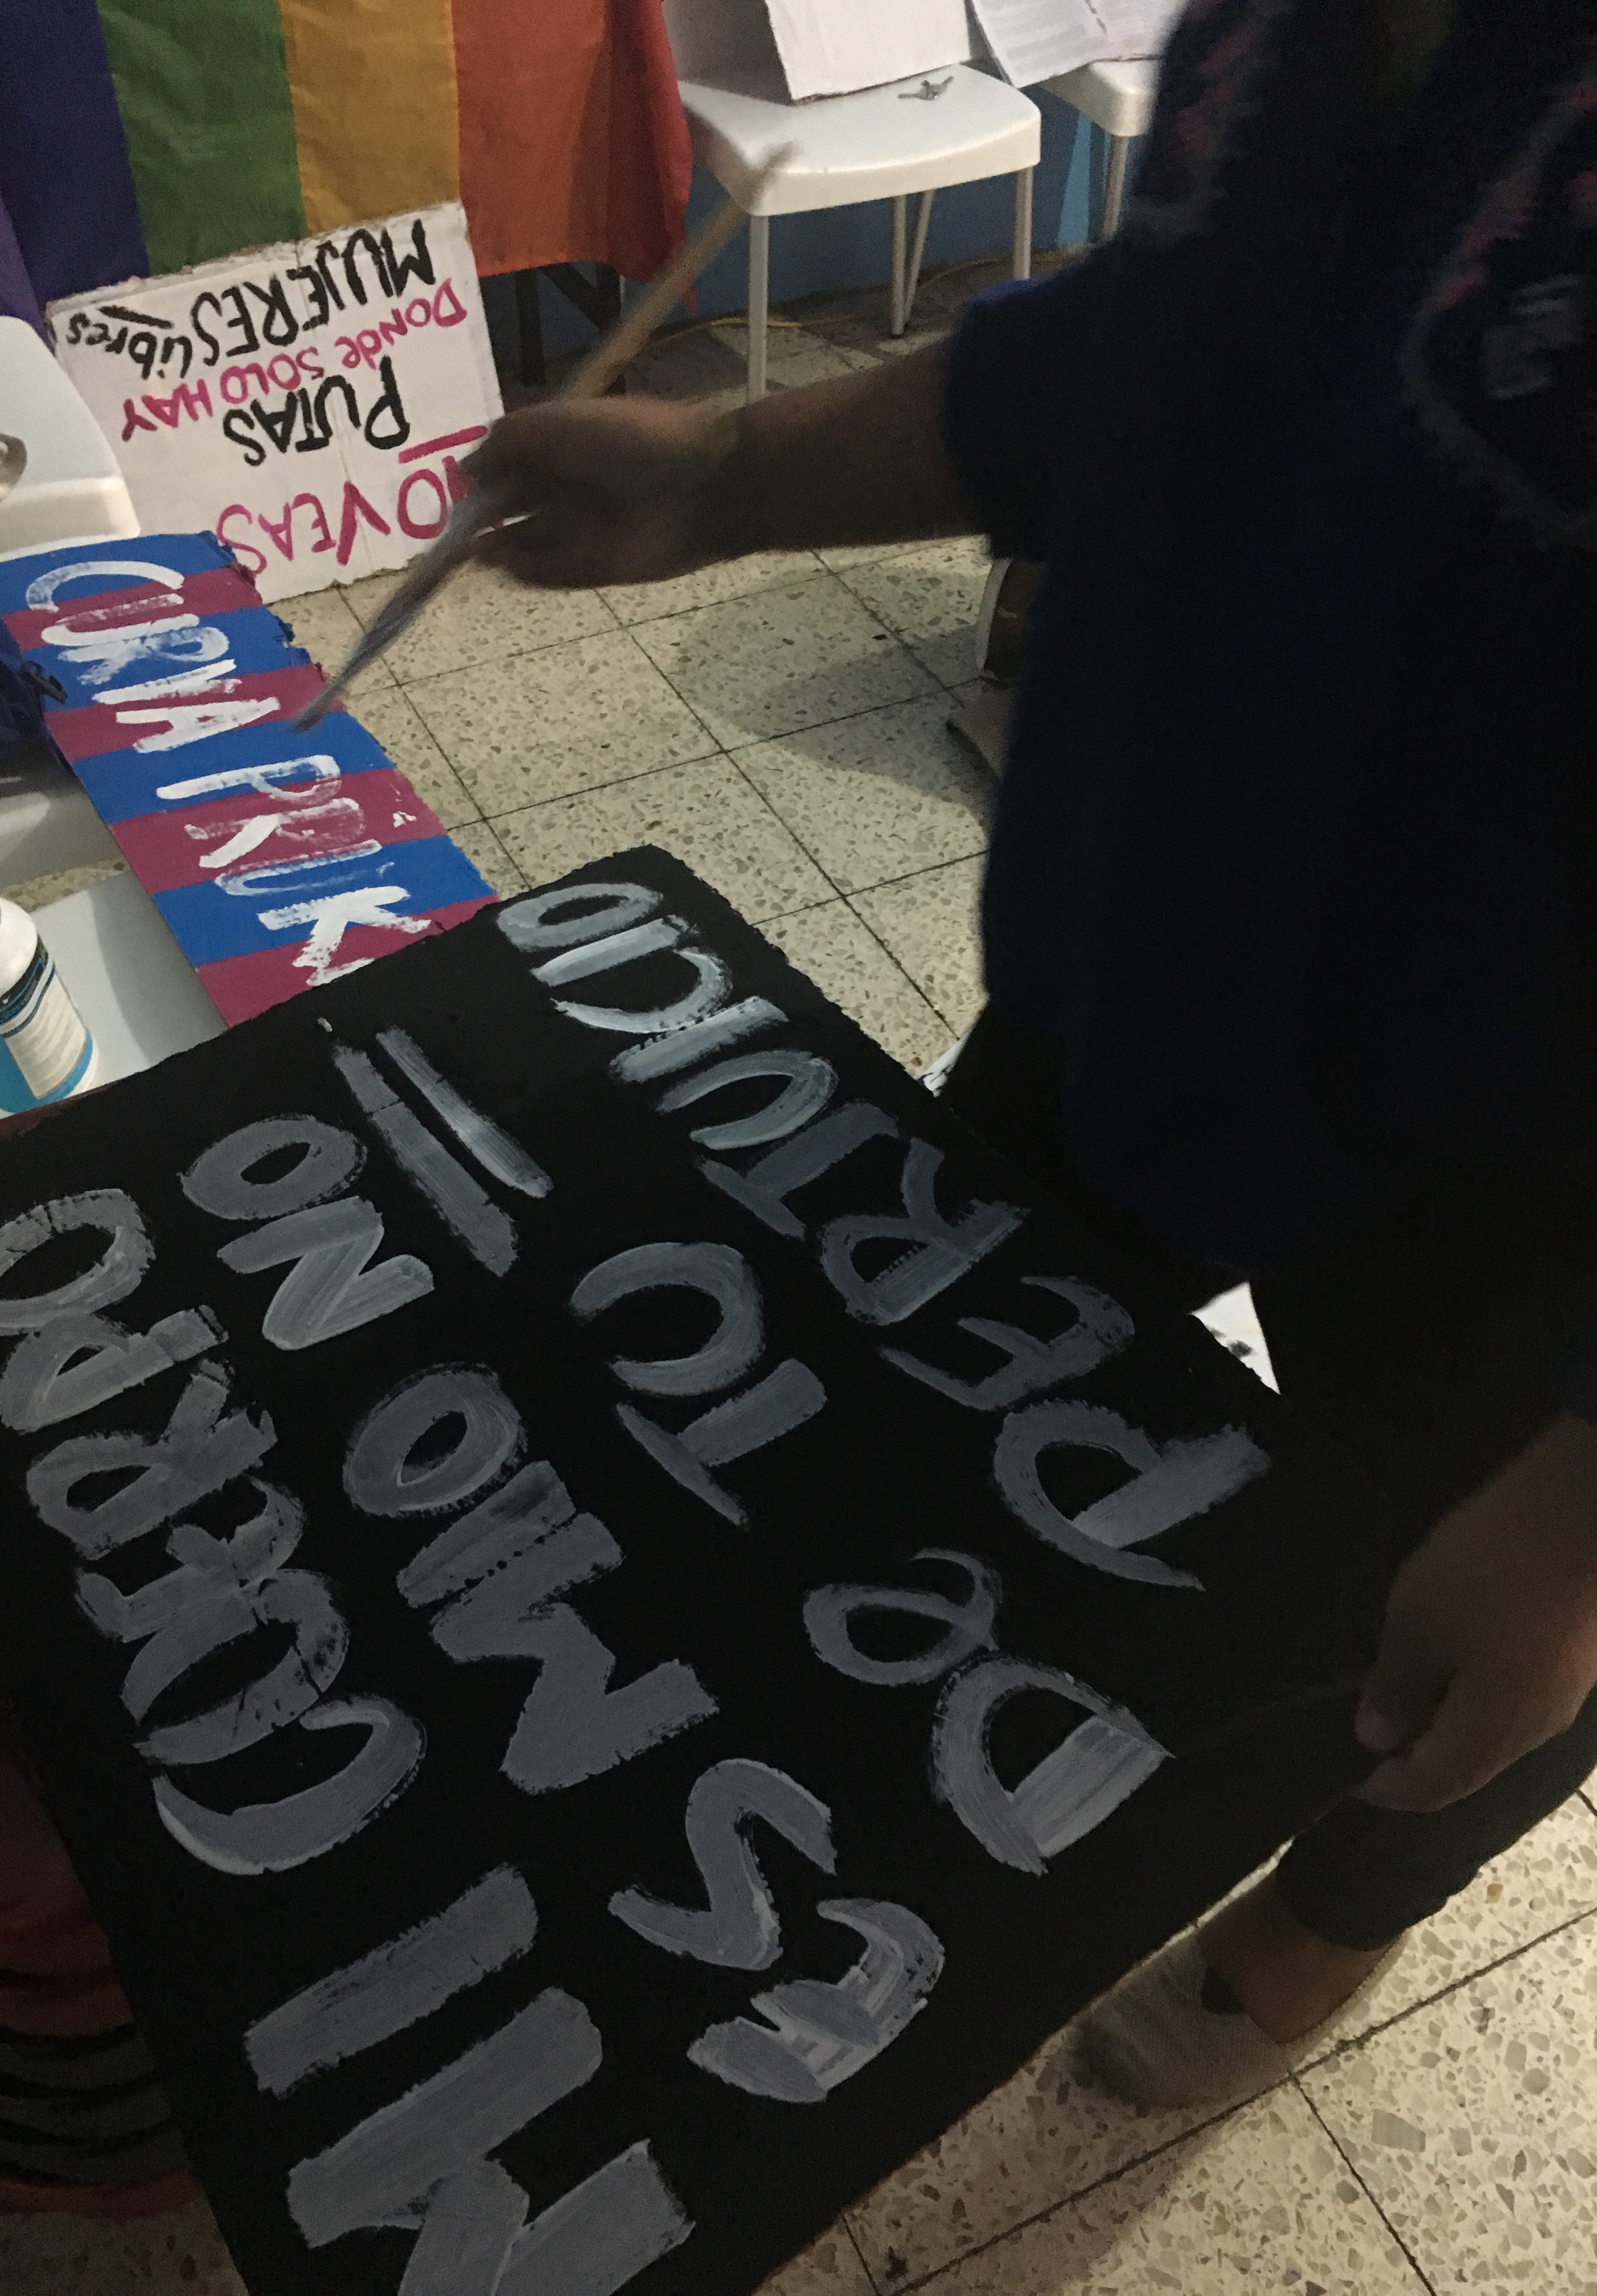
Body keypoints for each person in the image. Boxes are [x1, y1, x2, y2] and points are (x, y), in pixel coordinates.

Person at [464, 0, 1597, 2104]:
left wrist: (1587, 1513)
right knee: (917, 1408)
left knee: (1435, 1648)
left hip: (1519, 1159)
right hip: (1137, 955)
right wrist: (733, 474)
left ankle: (1329, 1921)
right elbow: (1159, 336)